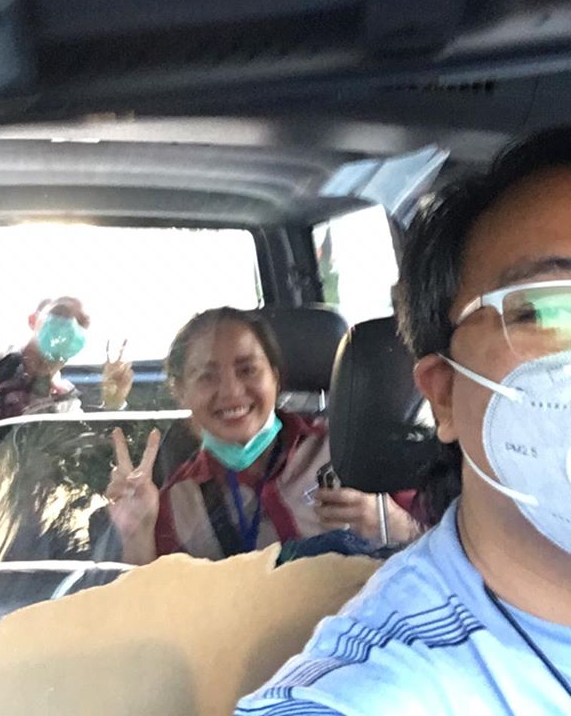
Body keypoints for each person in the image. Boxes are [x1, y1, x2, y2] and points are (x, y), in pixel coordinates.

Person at [236, 127, 571, 714]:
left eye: (246, 369)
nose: (232, 392)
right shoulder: (372, 692)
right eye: (551, 309)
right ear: (444, 396)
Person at [105, 307, 421, 564]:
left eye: (248, 369)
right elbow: (148, 608)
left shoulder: (352, 450)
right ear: (181, 391)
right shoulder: (175, 502)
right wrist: (138, 534)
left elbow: (440, 545)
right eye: (207, 376)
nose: (231, 392)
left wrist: (392, 523)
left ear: (275, 377)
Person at [0, 295, 133, 418]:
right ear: (33, 320)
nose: (71, 325)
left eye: (81, 323)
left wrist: (114, 404)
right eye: (60, 312)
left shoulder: (65, 402)